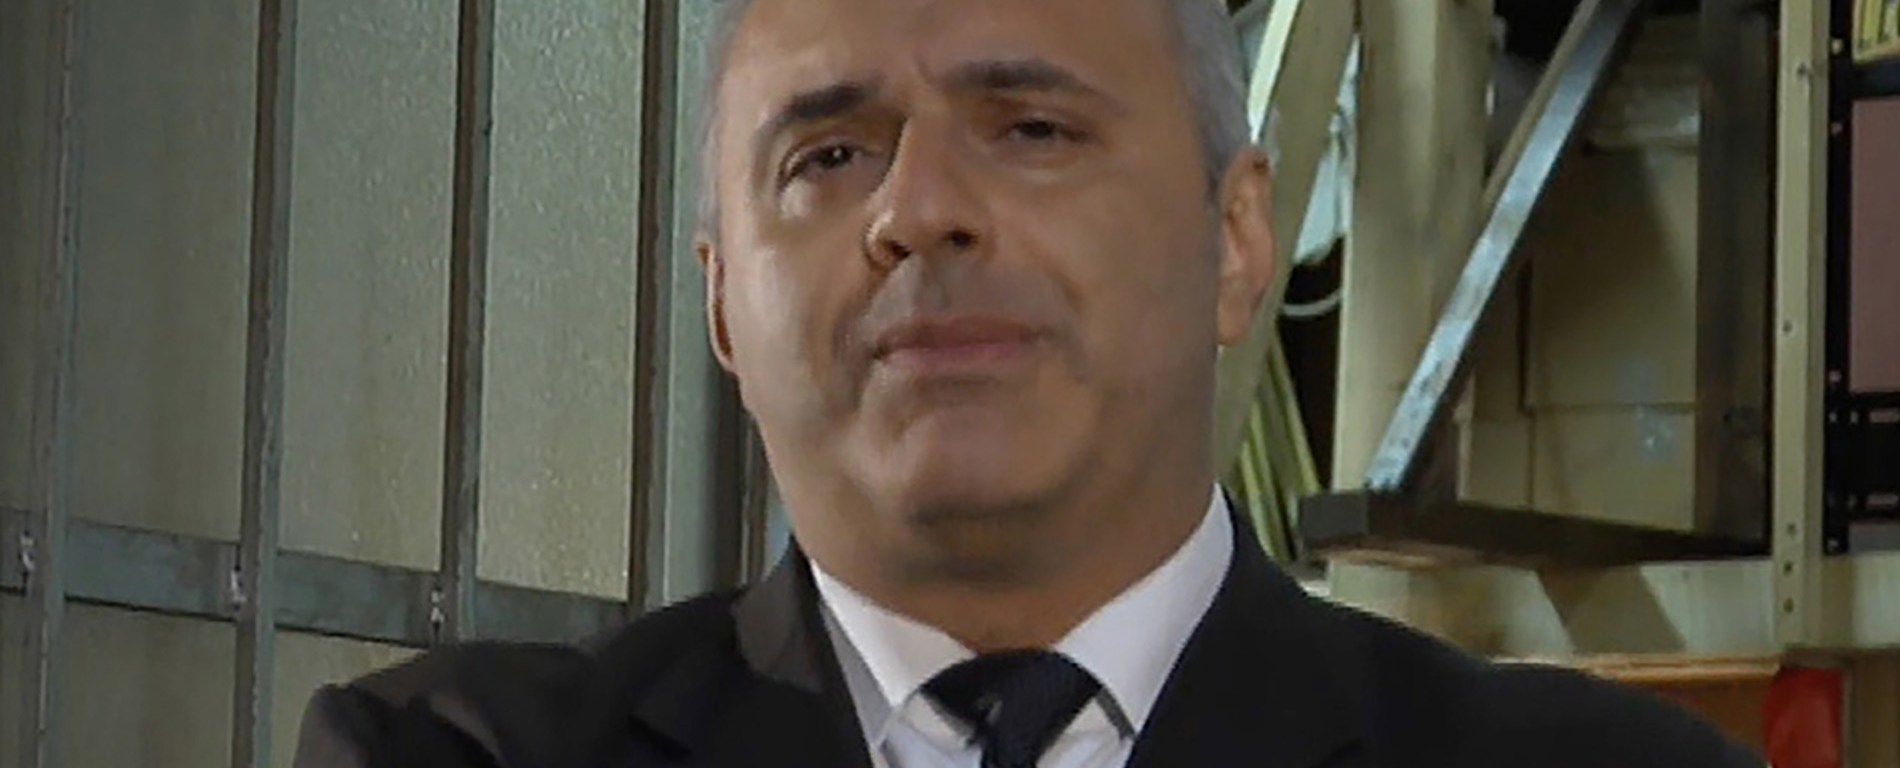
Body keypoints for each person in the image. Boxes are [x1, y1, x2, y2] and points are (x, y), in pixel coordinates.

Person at [293, 0, 1763, 766]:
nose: (920, 208)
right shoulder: (452, 761)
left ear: (1236, 238)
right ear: (723, 300)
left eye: (1033, 131)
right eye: (828, 155)